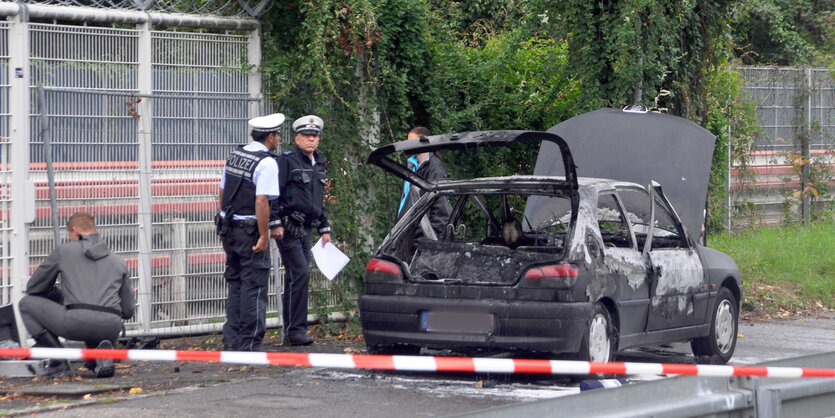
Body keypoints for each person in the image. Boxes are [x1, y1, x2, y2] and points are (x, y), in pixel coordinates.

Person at [18, 212, 134, 378]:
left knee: (26, 304)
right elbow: (128, 310)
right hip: (111, 327)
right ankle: (99, 357)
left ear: (75, 230)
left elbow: (34, 288)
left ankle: (58, 361)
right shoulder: (119, 261)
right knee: (95, 315)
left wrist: (58, 296)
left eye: (70, 235)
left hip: (76, 323)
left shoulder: (64, 252)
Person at [218, 113, 282, 352]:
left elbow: (223, 189)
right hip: (249, 231)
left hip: (230, 228)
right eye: (277, 135)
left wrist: (222, 222)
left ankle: (232, 339)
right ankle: (251, 342)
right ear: (271, 136)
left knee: (235, 284)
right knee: (254, 286)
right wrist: (264, 235)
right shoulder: (266, 163)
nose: (278, 139)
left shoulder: (235, 154)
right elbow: (262, 201)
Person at [270, 115, 332, 346]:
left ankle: (291, 332)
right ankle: (296, 331)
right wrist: (275, 222)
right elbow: (273, 192)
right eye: (306, 135)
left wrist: (323, 225)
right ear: (296, 138)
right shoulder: (286, 160)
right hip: (288, 226)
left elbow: (316, 199)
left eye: (315, 136)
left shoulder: (319, 163)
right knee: (301, 273)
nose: (311, 139)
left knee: (296, 277)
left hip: (306, 227)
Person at [396, 126, 451, 239]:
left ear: (424, 142)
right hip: (405, 236)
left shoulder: (434, 168)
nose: (408, 146)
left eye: (411, 142)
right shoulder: (412, 166)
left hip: (421, 239)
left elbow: (441, 208)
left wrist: (430, 240)